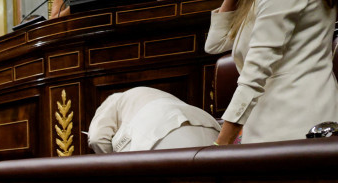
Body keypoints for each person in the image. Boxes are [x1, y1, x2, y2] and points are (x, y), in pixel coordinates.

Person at [207, 0, 338, 144]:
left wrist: (221, 143)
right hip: (269, 112)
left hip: (293, 113)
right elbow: (215, 44)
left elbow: (255, 72)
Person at [88, 87, 222, 152]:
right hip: (210, 129)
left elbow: (96, 138)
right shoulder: (149, 94)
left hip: (159, 133)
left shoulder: (113, 100)